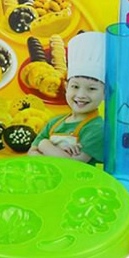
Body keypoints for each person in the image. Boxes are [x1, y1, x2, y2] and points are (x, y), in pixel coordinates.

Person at [28, 32, 105, 165]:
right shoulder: (54, 122)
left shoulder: (97, 128)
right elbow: (31, 153)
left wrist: (44, 145)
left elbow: (73, 165)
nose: (81, 95)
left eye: (92, 89)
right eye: (75, 86)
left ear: (105, 93)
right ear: (65, 87)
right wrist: (54, 150)